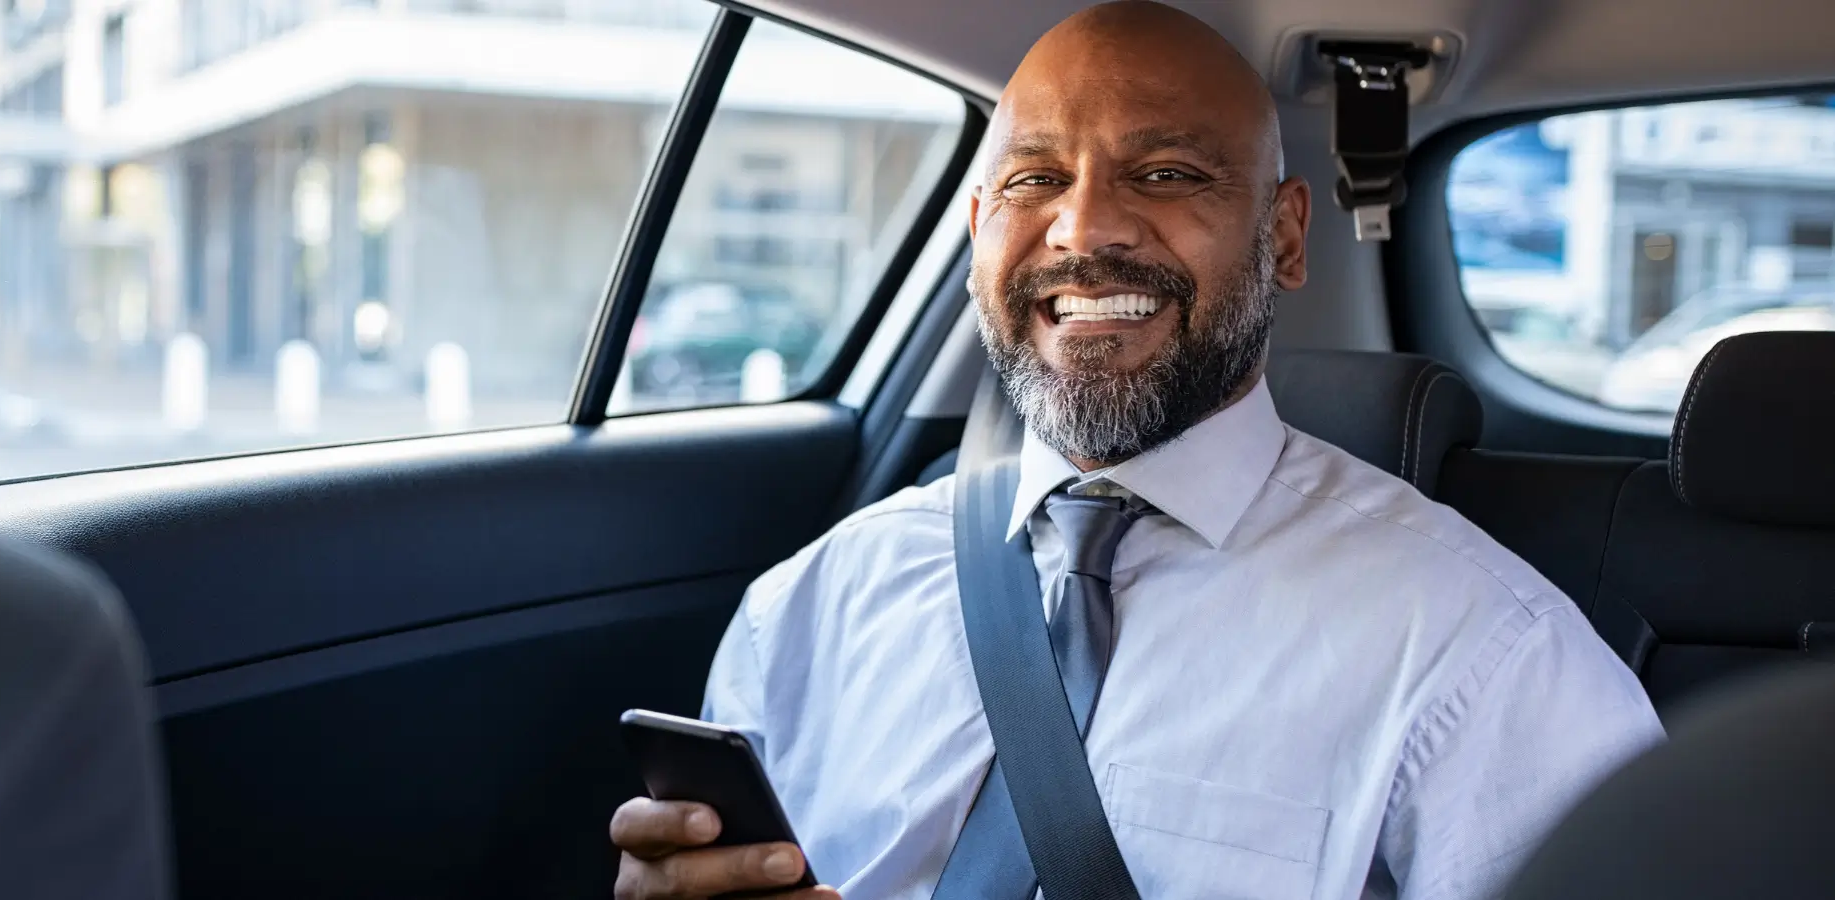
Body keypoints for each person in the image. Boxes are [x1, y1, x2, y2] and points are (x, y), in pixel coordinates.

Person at [610, 2, 1663, 897]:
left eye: (1163, 172)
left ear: (1284, 239)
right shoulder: (810, 605)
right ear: (978, 230)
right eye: (1031, 180)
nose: (1081, 229)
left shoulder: (1483, 654)